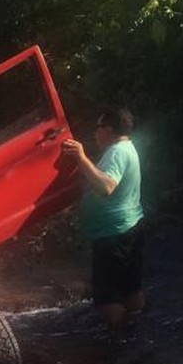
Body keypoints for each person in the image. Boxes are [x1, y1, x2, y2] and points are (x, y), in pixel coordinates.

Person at [62, 107, 144, 329]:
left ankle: (119, 346)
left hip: (113, 234)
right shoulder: (128, 147)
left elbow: (106, 186)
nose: (94, 133)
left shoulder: (116, 151)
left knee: (108, 300)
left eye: (97, 128)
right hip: (129, 227)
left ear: (107, 130)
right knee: (131, 290)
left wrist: (80, 157)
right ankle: (138, 334)